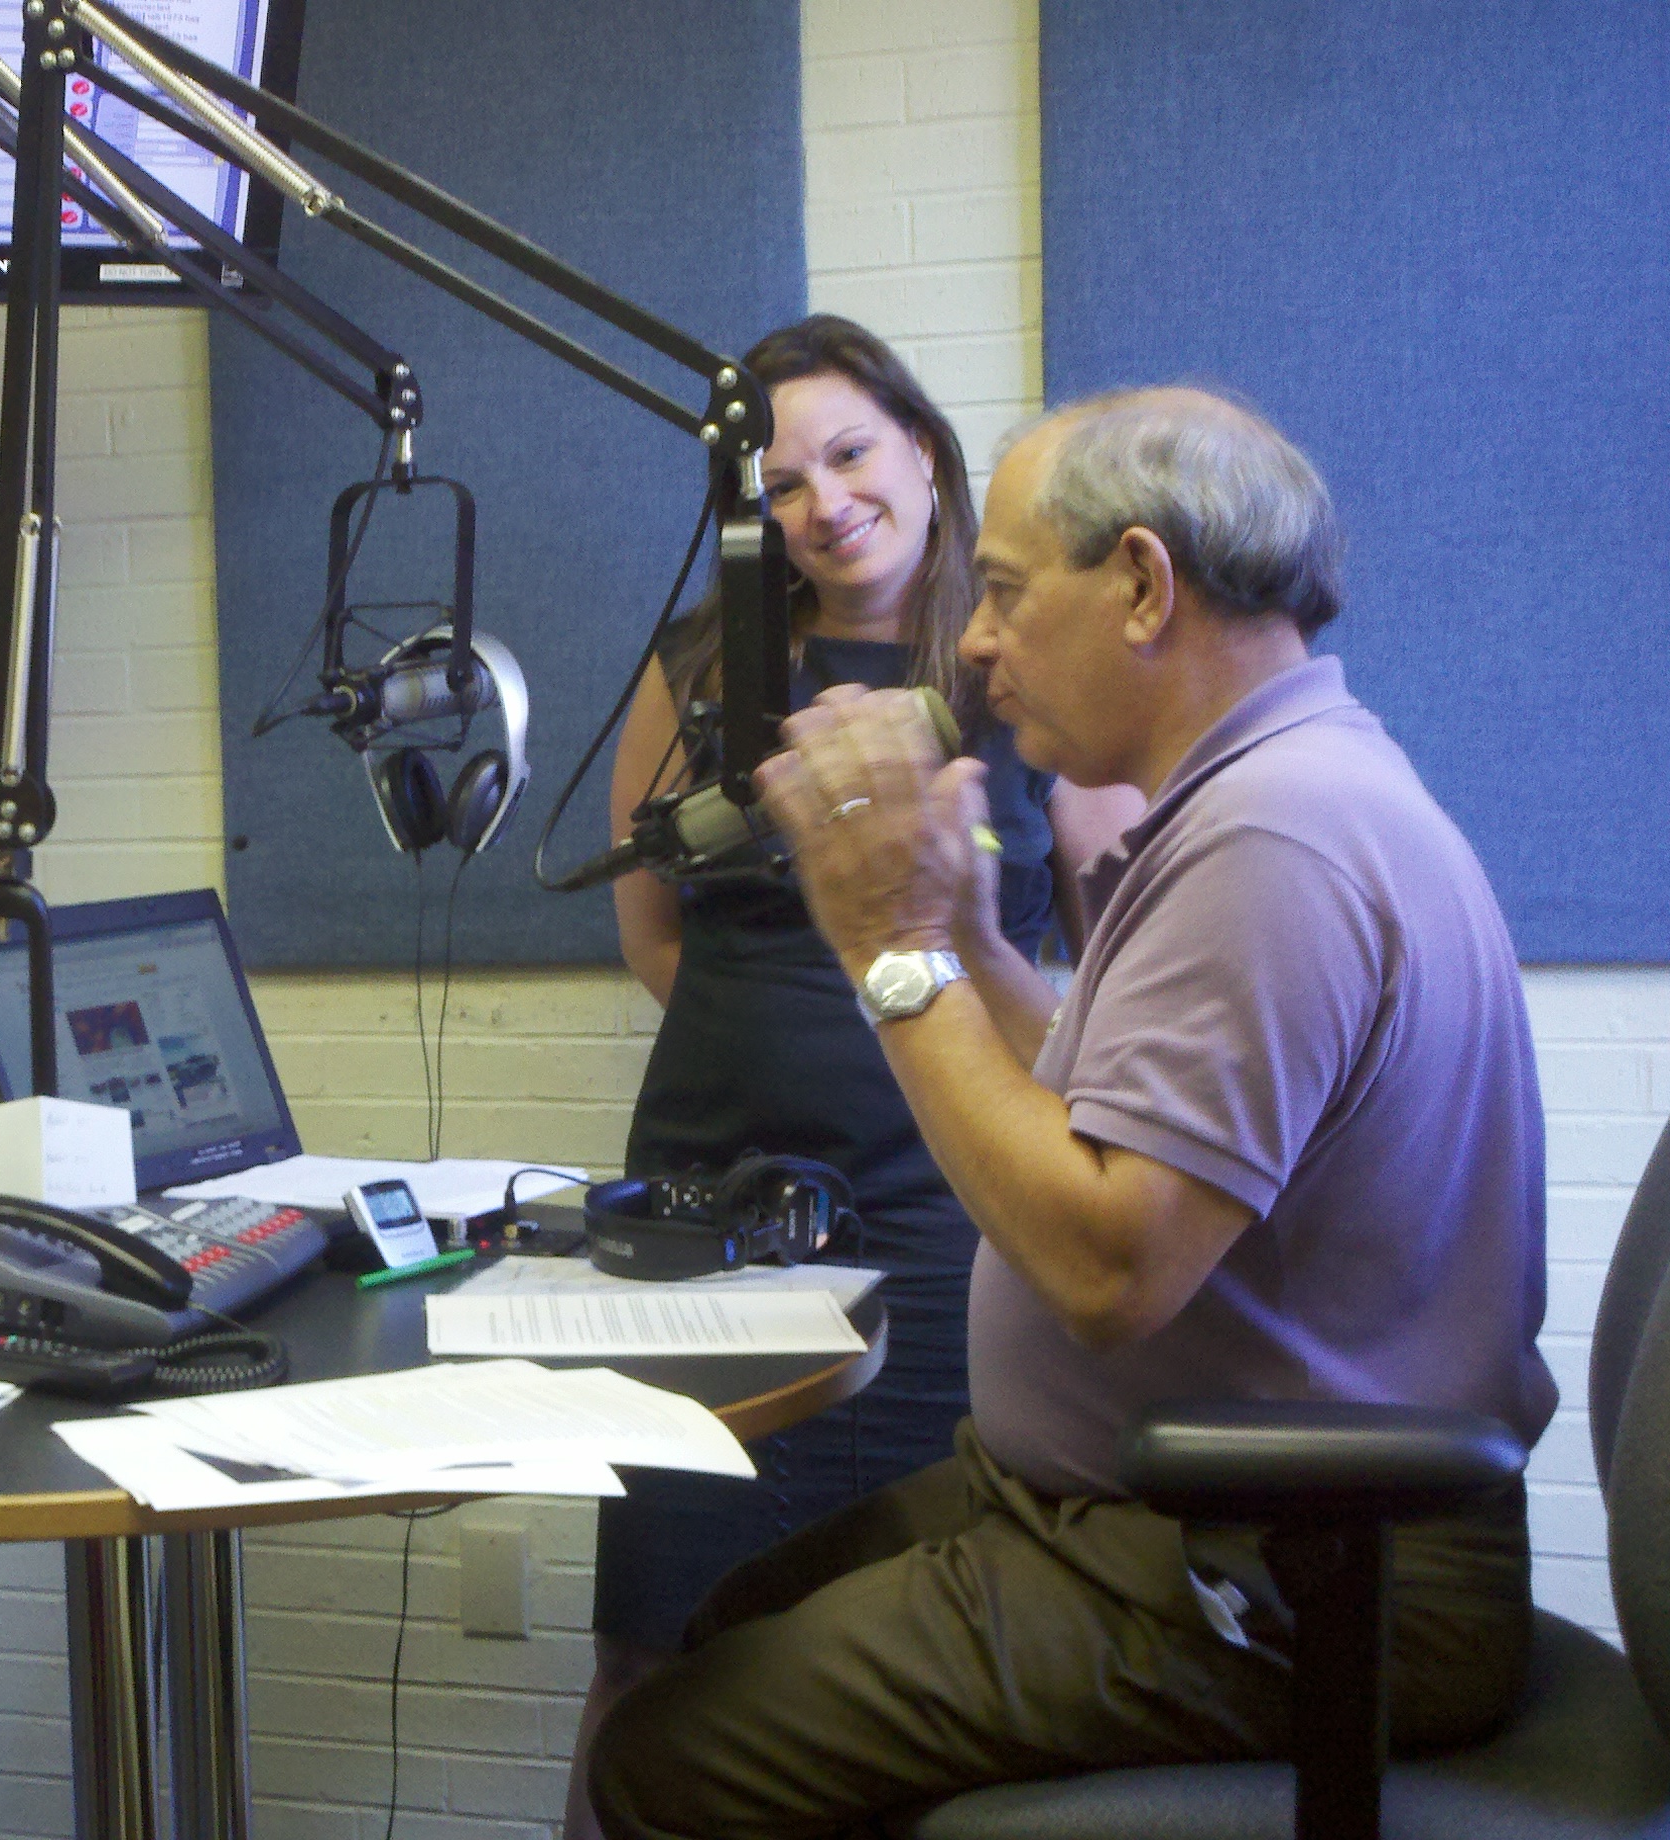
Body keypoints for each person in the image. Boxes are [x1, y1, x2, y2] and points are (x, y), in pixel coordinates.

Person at [581, 388, 1557, 1836]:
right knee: (733, 1619)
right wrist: (973, 940)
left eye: (1006, 594)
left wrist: (891, 948)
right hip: (1143, 1520)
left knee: (670, 1753)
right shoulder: (1272, 793)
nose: (974, 644)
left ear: (1144, 586)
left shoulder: (1274, 844)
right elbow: (1112, 1122)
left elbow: (1109, 1266)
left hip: (1278, 1572)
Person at [565, 316, 1133, 1834]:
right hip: (709, 1221)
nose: (824, 501)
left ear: (926, 454)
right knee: (654, 1646)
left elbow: (1104, 980)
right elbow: (656, 935)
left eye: (851, 453)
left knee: (913, 1651)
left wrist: (918, 1049)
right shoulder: (699, 671)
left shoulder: (1028, 676)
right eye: (783, 482)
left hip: (949, 1219)